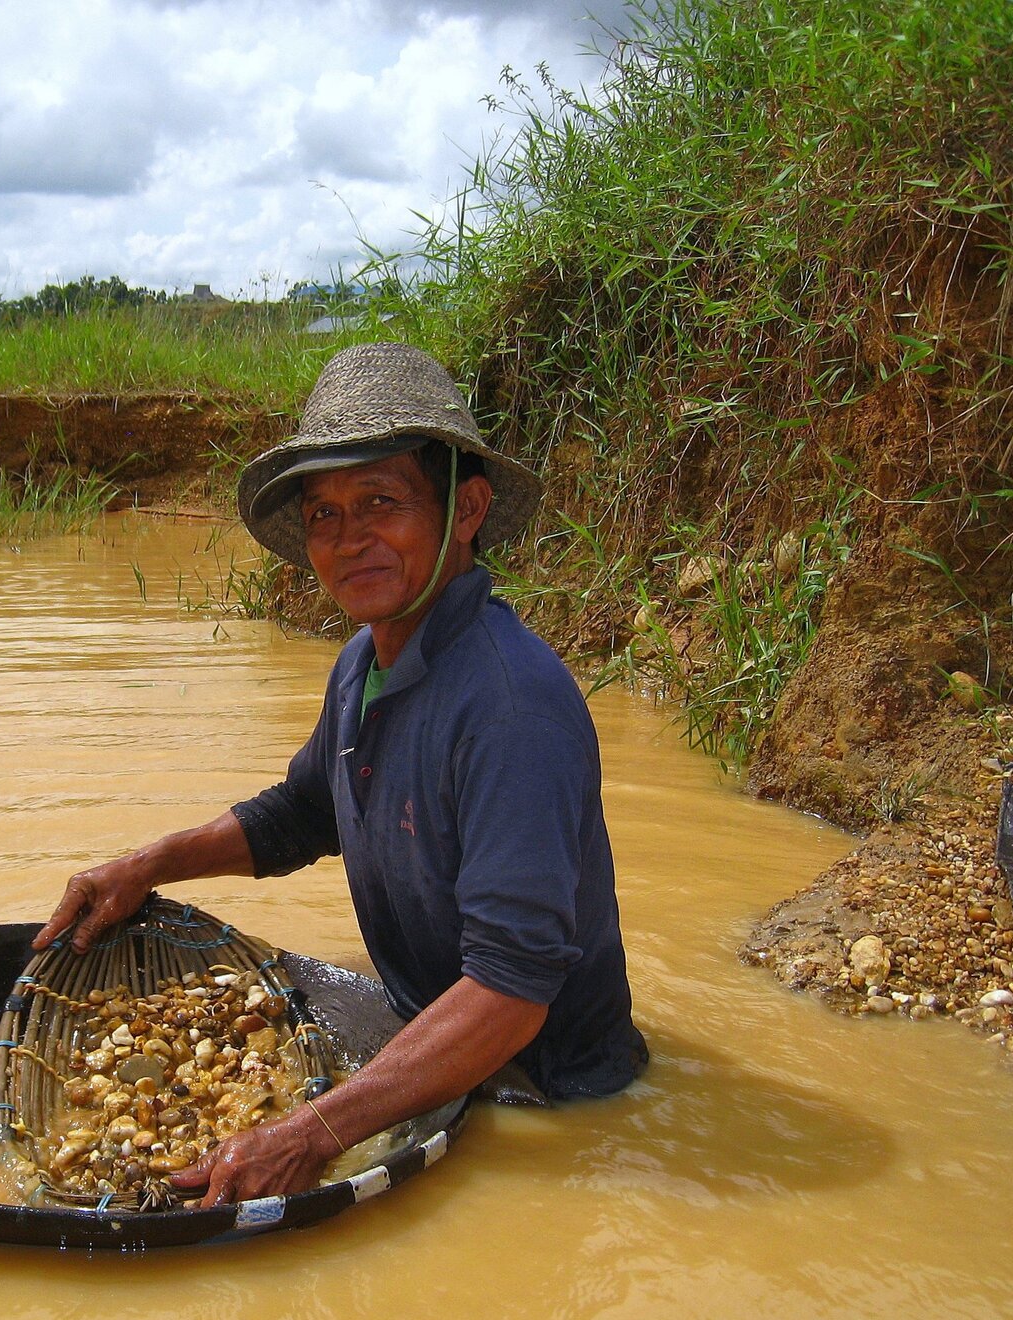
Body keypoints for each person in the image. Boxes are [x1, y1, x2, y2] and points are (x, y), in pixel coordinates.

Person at [34, 342, 648, 1207]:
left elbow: (511, 993)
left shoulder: (512, 708)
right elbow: (302, 814)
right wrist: (146, 865)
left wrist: (307, 1132)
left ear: (466, 508)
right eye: (322, 514)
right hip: (424, 1055)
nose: (347, 539)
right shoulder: (363, 661)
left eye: (379, 503)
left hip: (547, 1098)